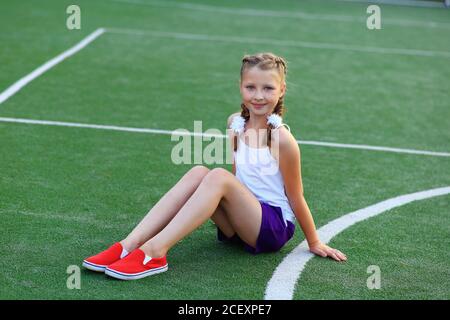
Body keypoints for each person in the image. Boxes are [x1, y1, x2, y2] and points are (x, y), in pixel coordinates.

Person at [82, 52, 347, 280]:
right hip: (241, 224)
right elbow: (237, 176)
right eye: (250, 87)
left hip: (271, 228)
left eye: (268, 88)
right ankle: (129, 245)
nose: (258, 96)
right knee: (199, 171)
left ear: (282, 90)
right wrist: (229, 207)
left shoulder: (282, 139)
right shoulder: (236, 123)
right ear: (240, 87)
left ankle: (154, 253)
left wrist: (313, 241)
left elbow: (295, 196)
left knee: (217, 176)